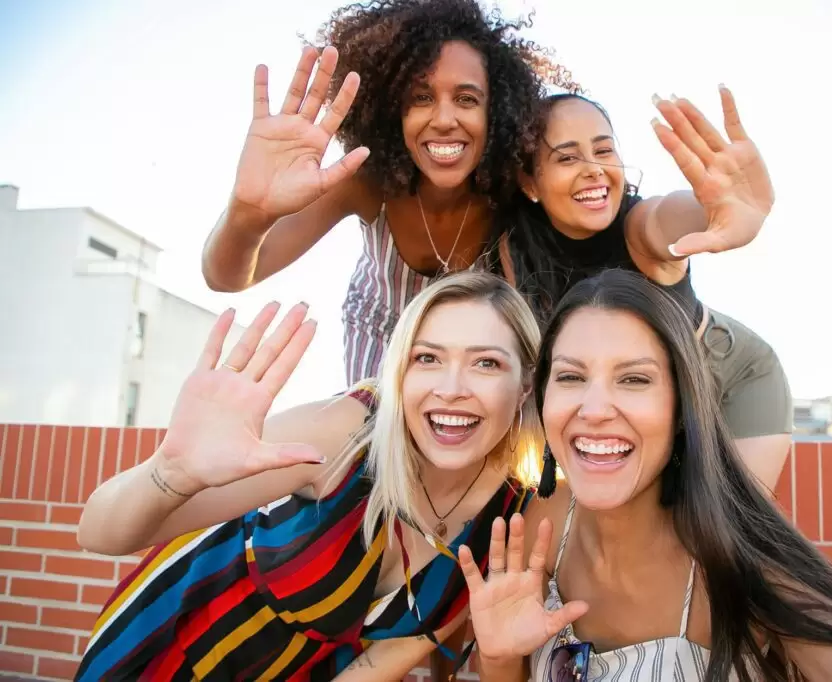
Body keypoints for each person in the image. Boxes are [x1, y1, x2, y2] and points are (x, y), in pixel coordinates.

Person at [456, 269, 832, 682]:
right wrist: (499, 658)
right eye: (570, 376)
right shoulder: (538, 526)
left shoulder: (741, 561)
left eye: (633, 379)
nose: (594, 407)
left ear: (681, 407)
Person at [74, 271, 542, 682]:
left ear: (525, 383)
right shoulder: (347, 433)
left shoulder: (507, 520)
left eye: (486, 363)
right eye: (427, 358)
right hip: (164, 652)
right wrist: (170, 472)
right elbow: (98, 533)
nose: (451, 388)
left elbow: (385, 660)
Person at [201, 0, 577, 385]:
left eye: (466, 99)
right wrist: (248, 213)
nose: (445, 120)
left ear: (495, 113)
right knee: (375, 436)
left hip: (475, 347)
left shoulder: (512, 191)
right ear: (391, 111)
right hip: (381, 340)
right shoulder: (365, 182)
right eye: (421, 98)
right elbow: (227, 277)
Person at [499, 89, 791, 491]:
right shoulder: (516, 245)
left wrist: (713, 211)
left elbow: (667, 218)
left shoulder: (640, 227)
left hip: (732, 376)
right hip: (643, 394)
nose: (594, 169)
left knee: (721, 536)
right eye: (567, 157)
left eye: (603, 151)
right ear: (530, 181)